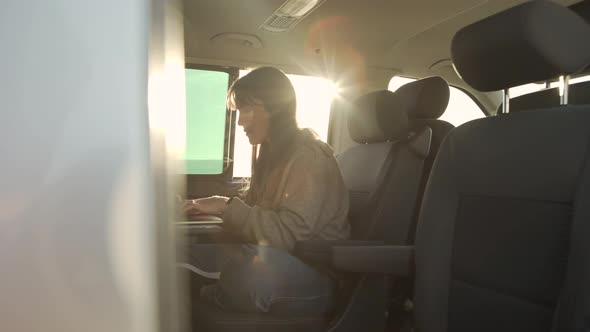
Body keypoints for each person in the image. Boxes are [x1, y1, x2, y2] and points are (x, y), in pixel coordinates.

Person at [181, 66, 350, 315]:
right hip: (285, 260)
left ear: (275, 108)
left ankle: (208, 291)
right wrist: (205, 208)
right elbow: (254, 219)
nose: (240, 121)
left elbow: (289, 236)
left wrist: (224, 206)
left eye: (247, 109)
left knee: (252, 267)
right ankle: (207, 286)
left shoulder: (310, 157)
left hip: (316, 273)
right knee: (185, 253)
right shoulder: (272, 155)